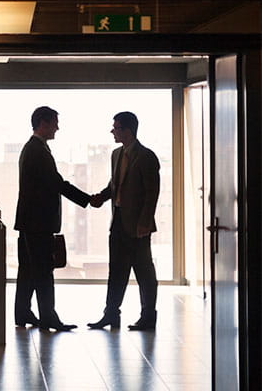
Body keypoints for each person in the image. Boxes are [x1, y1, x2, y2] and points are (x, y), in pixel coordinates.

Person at [13, 106, 91, 331]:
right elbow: (56, 183)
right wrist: (87, 199)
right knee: (43, 271)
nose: (58, 127)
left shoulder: (33, 148)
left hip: (30, 221)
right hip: (38, 223)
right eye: (55, 122)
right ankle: (48, 317)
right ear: (43, 123)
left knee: (28, 270)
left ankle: (23, 313)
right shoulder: (37, 150)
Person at [87, 111, 160, 331]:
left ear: (127, 130)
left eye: (116, 128)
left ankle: (148, 316)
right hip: (118, 221)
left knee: (144, 271)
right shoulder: (116, 155)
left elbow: (152, 192)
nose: (113, 131)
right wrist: (100, 197)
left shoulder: (146, 156)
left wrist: (145, 222)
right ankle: (111, 314)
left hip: (138, 225)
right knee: (116, 270)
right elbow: (115, 185)